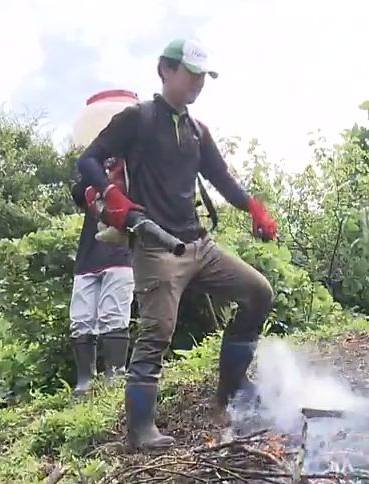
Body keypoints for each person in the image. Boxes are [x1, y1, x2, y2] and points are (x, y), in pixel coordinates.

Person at [71, 37, 278, 451]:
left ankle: (232, 391)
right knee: (156, 334)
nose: (197, 83)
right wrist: (116, 201)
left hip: (198, 245)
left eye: (203, 77)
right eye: (191, 74)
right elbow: (88, 161)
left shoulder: (197, 131)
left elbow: (222, 179)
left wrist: (253, 207)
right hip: (155, 247)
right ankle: (140, 431)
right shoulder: (138, 119)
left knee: (258, 292)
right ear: (165, 70)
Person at [68, 157, 136, 396]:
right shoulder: (95, 172)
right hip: (88, 255)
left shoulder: (135, 171)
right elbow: (78, 194)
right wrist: (95, 169)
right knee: (80, 319)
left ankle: (114, 375)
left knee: (114, 315)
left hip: (120, 254)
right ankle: (85, 380)